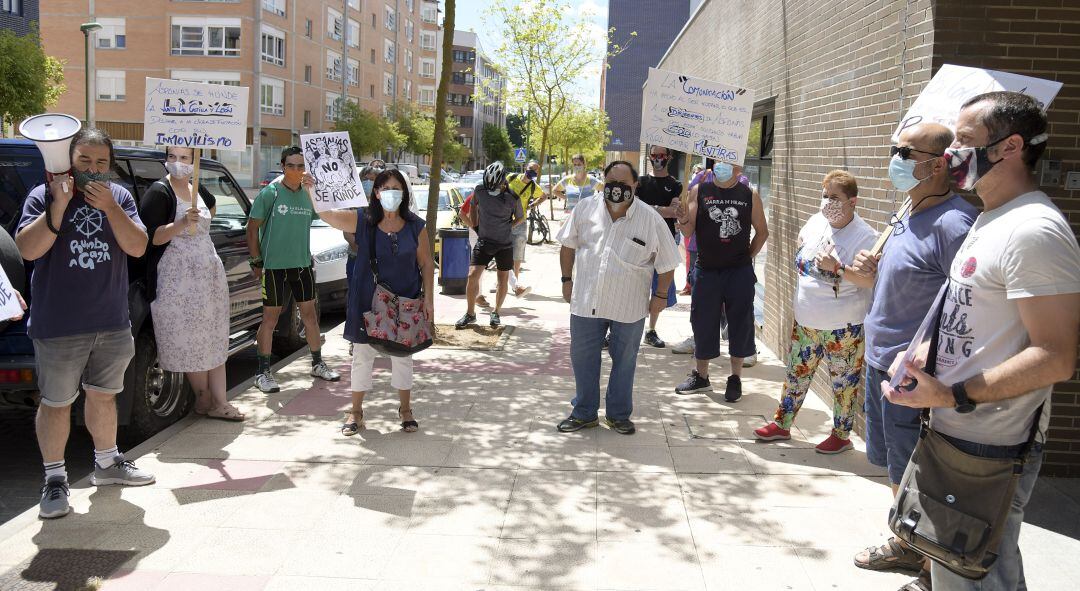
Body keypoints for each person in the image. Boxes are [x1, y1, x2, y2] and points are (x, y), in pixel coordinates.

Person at [883, 91, 1080, 591]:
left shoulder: (1034, 230)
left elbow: (1056, 357)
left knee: (979, 576)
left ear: (1009, 147)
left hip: (992, 446)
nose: (950, 153)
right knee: (961, 571)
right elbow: (975, 317)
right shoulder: (991, 217)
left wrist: (953, 394)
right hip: (955, 433)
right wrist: (925, 355)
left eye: (964, 141)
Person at [850, 122, 976, 590]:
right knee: (895, 464)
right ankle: (909, 544)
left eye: (905, 153)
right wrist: (867, 270)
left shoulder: (955, 223)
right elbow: (897, 282)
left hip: (915, 375)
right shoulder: (906, 211)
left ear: (937, 164)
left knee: (919, 470)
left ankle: (930, 569)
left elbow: (966, 306)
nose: (896, 160)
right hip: (881, 362)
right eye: (895, 150)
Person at [16, 128, 155, 519]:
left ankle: (107, 463)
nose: (93, 169)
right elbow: (28, 249)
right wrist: (58, 207)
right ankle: (54, 479)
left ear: (110, 166)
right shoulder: (43, 196)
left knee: (103, 396)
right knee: (56, 403)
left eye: (101, 162)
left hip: (111, 322)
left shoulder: (120, 197)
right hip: (59, 324)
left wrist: (111, 208)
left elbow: (138, 247)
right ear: (69, 162)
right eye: (85, 161)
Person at [752, 171, 877, 453]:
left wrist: (839, 268)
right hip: (806, 322)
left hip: (843, 328)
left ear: (853, 201)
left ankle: (841, 436)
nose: (827, 202)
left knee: (843, 384)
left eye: (835, 197)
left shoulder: (866, 236)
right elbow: (801, 248)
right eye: (825, 195)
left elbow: (870, 281)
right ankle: (782, 424)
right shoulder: (816, 222)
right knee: (796, 375)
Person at [305, 169, 434, 435]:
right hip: (368, 301)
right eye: (385, 189)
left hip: (405, 302)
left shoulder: (416, 226)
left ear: (404, 193)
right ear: (376, 193)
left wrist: (429, 300)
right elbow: (329, 216)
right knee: (362, 356)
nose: (391, 193)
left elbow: (426, 264)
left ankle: (406, 410)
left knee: (403, 357)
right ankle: (355, 412)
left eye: (396, 188)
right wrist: (312, 191)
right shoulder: (363, 221)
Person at [555, 160, 680, 435]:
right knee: (583, 359)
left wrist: (660, 296)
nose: (616, 189)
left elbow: (668, 261)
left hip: (629, 306)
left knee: (625, 362)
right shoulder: (585, 209)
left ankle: (618, 415)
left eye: (623, 184)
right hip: (587, 301)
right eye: (611, 183)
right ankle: (584, 413)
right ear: (604, 181)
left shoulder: (650, 218)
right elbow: (567, 245)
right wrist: (566, 280)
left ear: (635, 185)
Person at [140, 147, 241, 421]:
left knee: (214, 337)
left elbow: (211, 209)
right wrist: (182, 222)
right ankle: (204, 398)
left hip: (208, 277)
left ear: (195, 162)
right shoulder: (159, 192)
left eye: (185, 158)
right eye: (172, 157)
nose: (178, 163)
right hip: (178, 280)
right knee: (191, 340)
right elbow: (151, 238)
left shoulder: (197, 189)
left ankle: (220, 400)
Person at [247, 146, 340, 393]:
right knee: (270, 319)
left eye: (301, 166)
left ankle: (318, 363)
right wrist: (256, 261)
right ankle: (262, 372)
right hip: (273, 267)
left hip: (301, 265)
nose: (296, 170)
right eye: (291, 165)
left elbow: (329, 213)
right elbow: (251, 228)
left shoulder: (308, 194)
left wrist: (315, 190)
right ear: (282, 166)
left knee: (309, 316)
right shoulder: (270, 193)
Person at [674, 159, 768, 401]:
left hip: (738, 272)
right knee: (703, 321)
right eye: (719, 161)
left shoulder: (749, 194)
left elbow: (762, 231)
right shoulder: (700, 190)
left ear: (738, 168)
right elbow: (688, 231)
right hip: (707, 270)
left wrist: (747, 257)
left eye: (729, 161)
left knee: (740, 323)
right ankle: (701, 376)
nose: (722, 165)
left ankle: (735, 378)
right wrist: (682, 219)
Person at [456, 161, 523, 329]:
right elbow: (472, 205)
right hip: (484, 241)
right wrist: (475, 225)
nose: (491, 191)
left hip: (504, 244)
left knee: (502, 279)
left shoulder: (513, 197)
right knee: (472, 275)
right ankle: (470, 313)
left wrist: (509, 226)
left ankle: (496, 312)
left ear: (503, 182)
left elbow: (521, 217)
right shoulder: (480, 190)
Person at [634, 146, 684, 348]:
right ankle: (625, 327)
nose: (657, 159)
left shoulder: (675, 185)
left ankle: (651, 330)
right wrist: (660, 210)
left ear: (669, 157)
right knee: (635, 283)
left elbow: (673, 212)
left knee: (659, 287)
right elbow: (634, 207)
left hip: (665, 240)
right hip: (639, 238)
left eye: (661, 155)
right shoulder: (640, 182)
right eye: (654, 155)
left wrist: (648, 208)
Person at [506, 160, 548, 296]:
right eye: (531, 168)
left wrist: (531, 206)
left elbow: (544, 196)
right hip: (505, 221)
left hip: (521, 222)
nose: (532, 172)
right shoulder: (511, 177)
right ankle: (500, 281)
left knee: (517, 255)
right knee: (503, 253)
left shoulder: (533, 187)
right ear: (525, 167)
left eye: (535, 170)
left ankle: (515, 284)